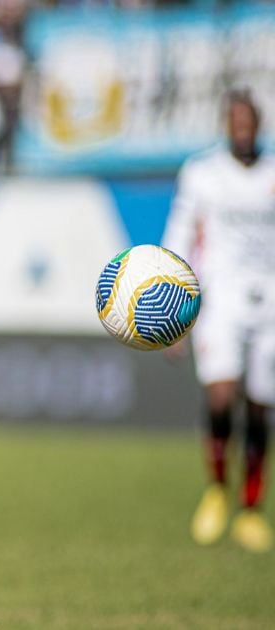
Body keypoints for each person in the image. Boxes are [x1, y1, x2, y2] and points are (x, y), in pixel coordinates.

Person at [163, 90, 274, 554]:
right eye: (236, 120)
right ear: (226, 125)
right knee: (222, 395)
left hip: (269, 303)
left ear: (259, 124)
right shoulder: (203, 173)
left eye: (249, 120)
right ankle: (216, 489)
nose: (242, 127)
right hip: (220, 300)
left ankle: (250, 508)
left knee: (260, 405)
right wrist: (172, 310)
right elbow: (181, 235)